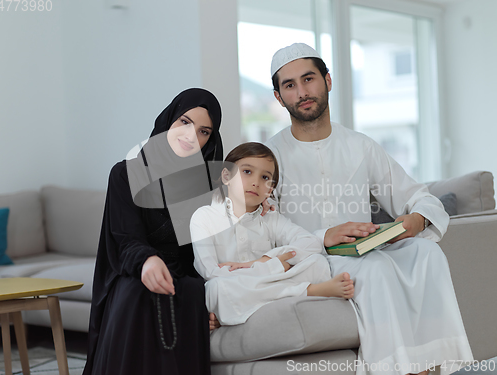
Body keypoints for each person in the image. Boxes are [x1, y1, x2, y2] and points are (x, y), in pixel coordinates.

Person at [265, 43, 473, 375]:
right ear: (279, 97)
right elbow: (262, 235)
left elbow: (419, 196)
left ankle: (434, 368)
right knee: (375, 269)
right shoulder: (268, 157)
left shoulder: (360, 145)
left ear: (328, 81)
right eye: (289, 85)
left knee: (427, 254)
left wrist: (416, 220)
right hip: (310, 261)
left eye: (309, 79)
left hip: (365, 251)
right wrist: (323, 237)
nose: (302, 92)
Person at [83, 88, 224, 375]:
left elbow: (214, 248)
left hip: (187, 280)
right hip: (136, 273)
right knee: (139, 291)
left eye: (204, 131)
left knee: (192, 291)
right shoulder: (125, 174)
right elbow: (124, 237)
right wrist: (147, 260)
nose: (191, 136)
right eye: (184, 122)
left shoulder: (209, 185)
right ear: (169, 120)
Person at [190, 142, 354, 326]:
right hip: (237, 285)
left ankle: (242, 310)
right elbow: (211, 272)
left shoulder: (271, 219)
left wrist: (262, 261)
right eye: (247, 172)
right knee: (216, 289)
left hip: (266, 283)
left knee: (318, 263)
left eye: (265, 177)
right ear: (227, 175)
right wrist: (274, 267)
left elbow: (311, 242)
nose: (255, 182)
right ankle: (308, 291)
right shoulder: (203, 217)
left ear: (270, 189)